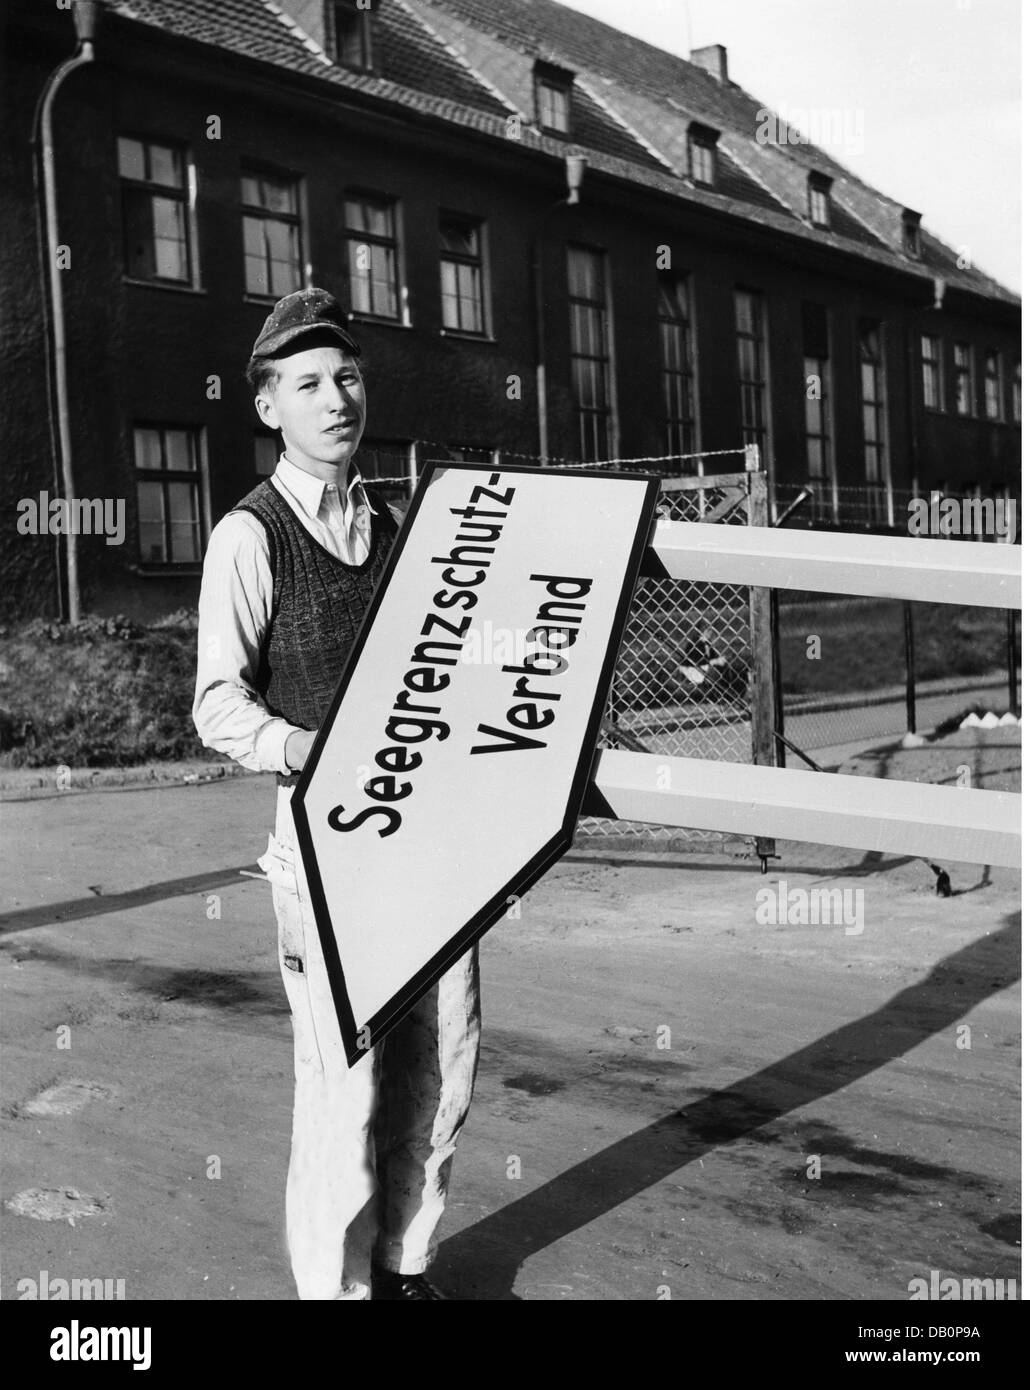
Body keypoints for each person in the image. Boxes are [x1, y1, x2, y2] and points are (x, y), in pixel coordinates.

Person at [193, 288, 481, 1301]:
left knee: (440, 1058)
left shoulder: (399, 522)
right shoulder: (250, 534)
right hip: (322, 857)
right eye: (307, 383)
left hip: (428, 848)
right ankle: (336, 1291)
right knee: (345, 1081)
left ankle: (405, 1267)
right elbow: (217, 706)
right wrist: (314, 748)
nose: (335, 399)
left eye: (348, 377)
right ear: (268, 406)